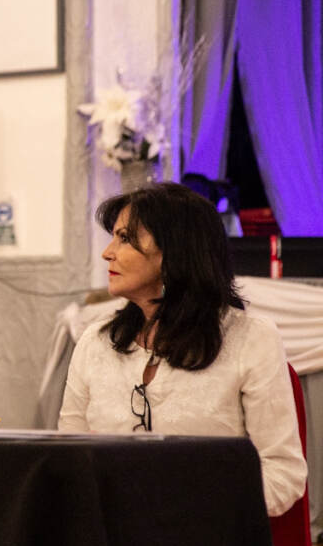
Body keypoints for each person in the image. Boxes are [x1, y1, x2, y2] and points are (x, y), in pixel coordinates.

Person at [58, 182, 306, 518]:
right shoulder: (94, 342)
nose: (108, 252)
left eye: (125, 239)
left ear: (175, 252)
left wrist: (184, 508)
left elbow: (283, 475)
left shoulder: (251, 339)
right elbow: (68, 457)